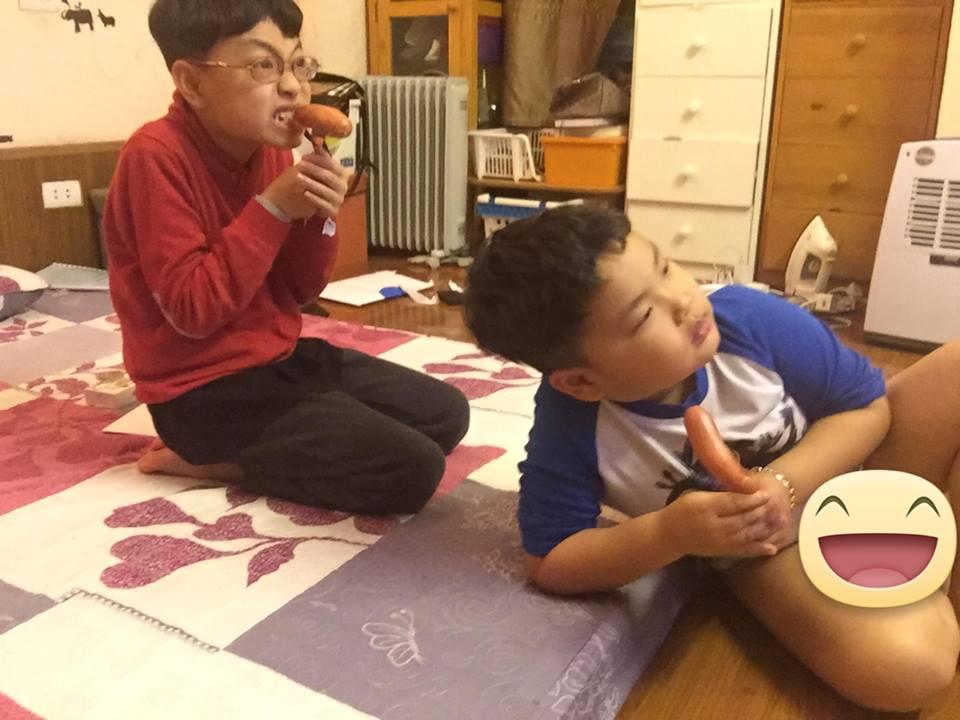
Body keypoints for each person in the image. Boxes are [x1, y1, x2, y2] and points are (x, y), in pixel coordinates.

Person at [464, 205, 960, 712]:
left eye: (664, 268)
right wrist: (671, 534)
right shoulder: (572, 424)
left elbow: (867, 409)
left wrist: (784, 482)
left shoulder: (750, 318)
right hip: (775, 548)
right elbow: (552, 560)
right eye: (644, 316)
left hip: (864, 463)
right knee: (912, 668)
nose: (684, 301)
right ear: (582, 382)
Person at [103, 0, 469, 515]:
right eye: (264, 65)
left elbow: (299, 291)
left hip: (277, 360)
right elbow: (192, 310)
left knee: (446, 414)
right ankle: (216, 463)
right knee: (411, 470)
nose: (294, 87)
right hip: (202, 395)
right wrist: (273, 209)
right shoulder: (154, 156)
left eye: (298, 64)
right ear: (192, 83)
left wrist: (320, 215)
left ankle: (292, 438)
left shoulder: (270, 148)